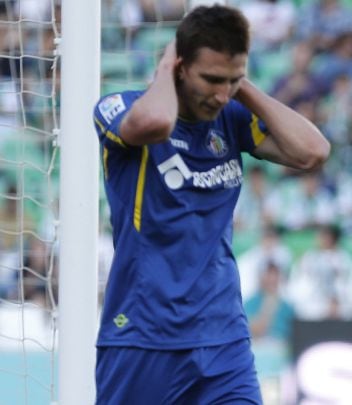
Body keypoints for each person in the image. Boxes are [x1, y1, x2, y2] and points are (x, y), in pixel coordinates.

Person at [91, 5, 330, 404]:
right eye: (212, 79)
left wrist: (242, 87)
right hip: (143, 335)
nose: (221, 94)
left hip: (223, 337)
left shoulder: (232, 117)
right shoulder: (119, 107)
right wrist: (167, 66)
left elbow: (313, 152)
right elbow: (154, 125)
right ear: (180, 66)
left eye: (232, 80)